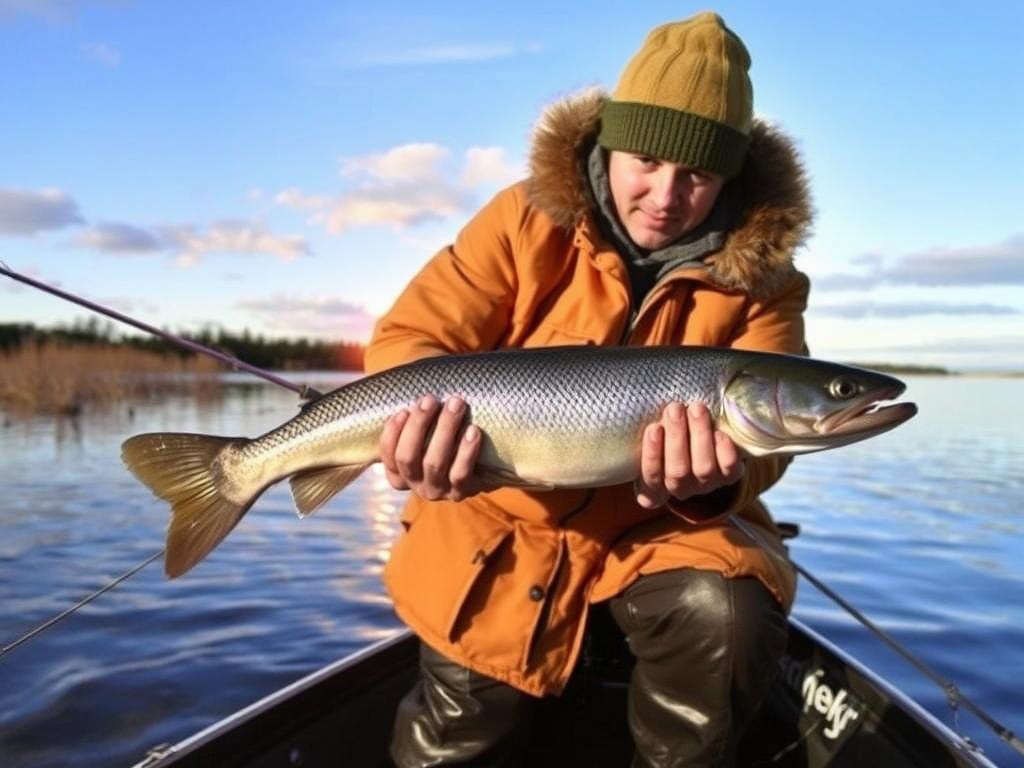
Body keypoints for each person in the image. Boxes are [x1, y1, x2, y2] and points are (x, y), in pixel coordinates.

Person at [364, 11, 812, 767]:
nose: (666, 195)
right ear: (609, 143)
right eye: (646, 160)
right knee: (458, 736)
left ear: (729, 177)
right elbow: (410, 340)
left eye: (698, 174)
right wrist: (415, 435)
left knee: (728, 612)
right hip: (497, 525)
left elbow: (769, 447)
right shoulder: (520, 219)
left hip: (661, 533)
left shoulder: (768, 283)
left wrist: (716, 483)